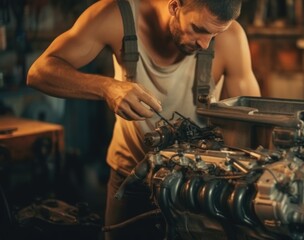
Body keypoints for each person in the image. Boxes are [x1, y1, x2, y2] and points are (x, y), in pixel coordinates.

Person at [27, 0, 261, 239]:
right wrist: (106, 87)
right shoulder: (117, 16)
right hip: (130, 177)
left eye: (214, 34)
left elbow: (251, 124)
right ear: (174, 6)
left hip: (197, 186)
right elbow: (40, 72)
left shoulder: (231, 38)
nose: (205, 43)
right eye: (198, 29)